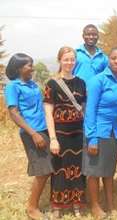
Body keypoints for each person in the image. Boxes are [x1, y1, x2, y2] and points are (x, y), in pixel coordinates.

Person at [4, 53, 54, 220]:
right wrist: (33, 133)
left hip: (44, 129)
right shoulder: (13, 86)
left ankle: (47, 203)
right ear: (19, 68)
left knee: (47, 169)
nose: (32, 68)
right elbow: (14, 113)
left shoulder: (32, 84)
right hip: (32, 132)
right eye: (29, 65)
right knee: (42, 171)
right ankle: (32, 208)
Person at [83, 48, 117, 219]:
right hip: (97, 131)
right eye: (114, 58)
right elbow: (90, 110)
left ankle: (110, 204)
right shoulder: (98, 80)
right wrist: (92, 138)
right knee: (94, 171)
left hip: (114, 132)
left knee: (108, 171)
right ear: (109, 59)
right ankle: (95, 207)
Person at [44, 46, 86, 218]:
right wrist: (53, 138)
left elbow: (84, 108)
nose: (69, 62)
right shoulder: (51, 84)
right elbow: (48, 113)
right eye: (66, 59)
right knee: (59, 169)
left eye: (72, 59)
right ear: (59, 60)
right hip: (60, 134)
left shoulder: (81, 83)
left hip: (78, 134)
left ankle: (77, 203)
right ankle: (57, 206)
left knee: (77, 169)